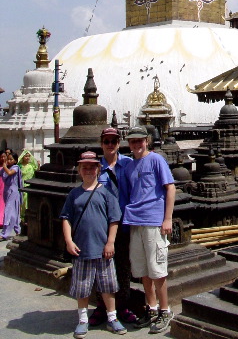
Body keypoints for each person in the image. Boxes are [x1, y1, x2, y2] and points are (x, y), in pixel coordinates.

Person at [60, 151, 127, 338]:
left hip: (103, 249)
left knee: (108, 286)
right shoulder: (74, 194)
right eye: (85, 167)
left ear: (98, 169)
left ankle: (112, 317)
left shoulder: (105, 193)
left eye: (92, 167)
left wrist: (110, 242)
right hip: (82, 249)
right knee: (82, 288)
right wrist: (69, 241)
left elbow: (114, 219)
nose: (88, 170)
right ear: (80, 170)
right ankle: (82, 320)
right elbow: (66, 219)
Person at [123, 125, 176, 334]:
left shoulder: (156, 160)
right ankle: (151, 308)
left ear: (147, 141)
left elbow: (170, 187)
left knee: (158, 270)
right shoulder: (129, 166)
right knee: (143, 270)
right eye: (132, 141)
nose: (136, 144)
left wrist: (168, 218)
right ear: (129, 143)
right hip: (135, 221)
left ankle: (165, 310)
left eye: (140, 140)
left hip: (154, 221)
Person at [88, 127, 136, 327]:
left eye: (113, 141)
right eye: (106, 141)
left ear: (119, 143)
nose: (110, 145)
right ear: (101, 144)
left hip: (125, 224)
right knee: (102, 268)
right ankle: (102, 306)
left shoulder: (129, 164)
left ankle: (123, 305)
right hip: (102, 225)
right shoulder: (95, 168)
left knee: (123, 266)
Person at [0, 152, 22, 241]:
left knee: (8, 211)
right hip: (6, 191)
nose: (9, 161)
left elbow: (9, 173)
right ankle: (18, 230)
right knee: (14, 212)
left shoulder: (15, 168)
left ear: (15, 160)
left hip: (13, 191)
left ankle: (4, 233)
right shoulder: (4, 169)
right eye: (8, 159)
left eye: (11, 159)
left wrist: (4, 165)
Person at [18, 149, 37, 223]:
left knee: (29, 203)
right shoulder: (19, 167)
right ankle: (23, 218)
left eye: (29, 156)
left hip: (30, 186)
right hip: (22, 186)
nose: (27, 158)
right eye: (26, 156)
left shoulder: (32, 166)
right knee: (23, 203)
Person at [0, 151, 6, 228]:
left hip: (5, 186)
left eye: (4, 156)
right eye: (1, 157)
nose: (3, 158)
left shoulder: (9, 166)